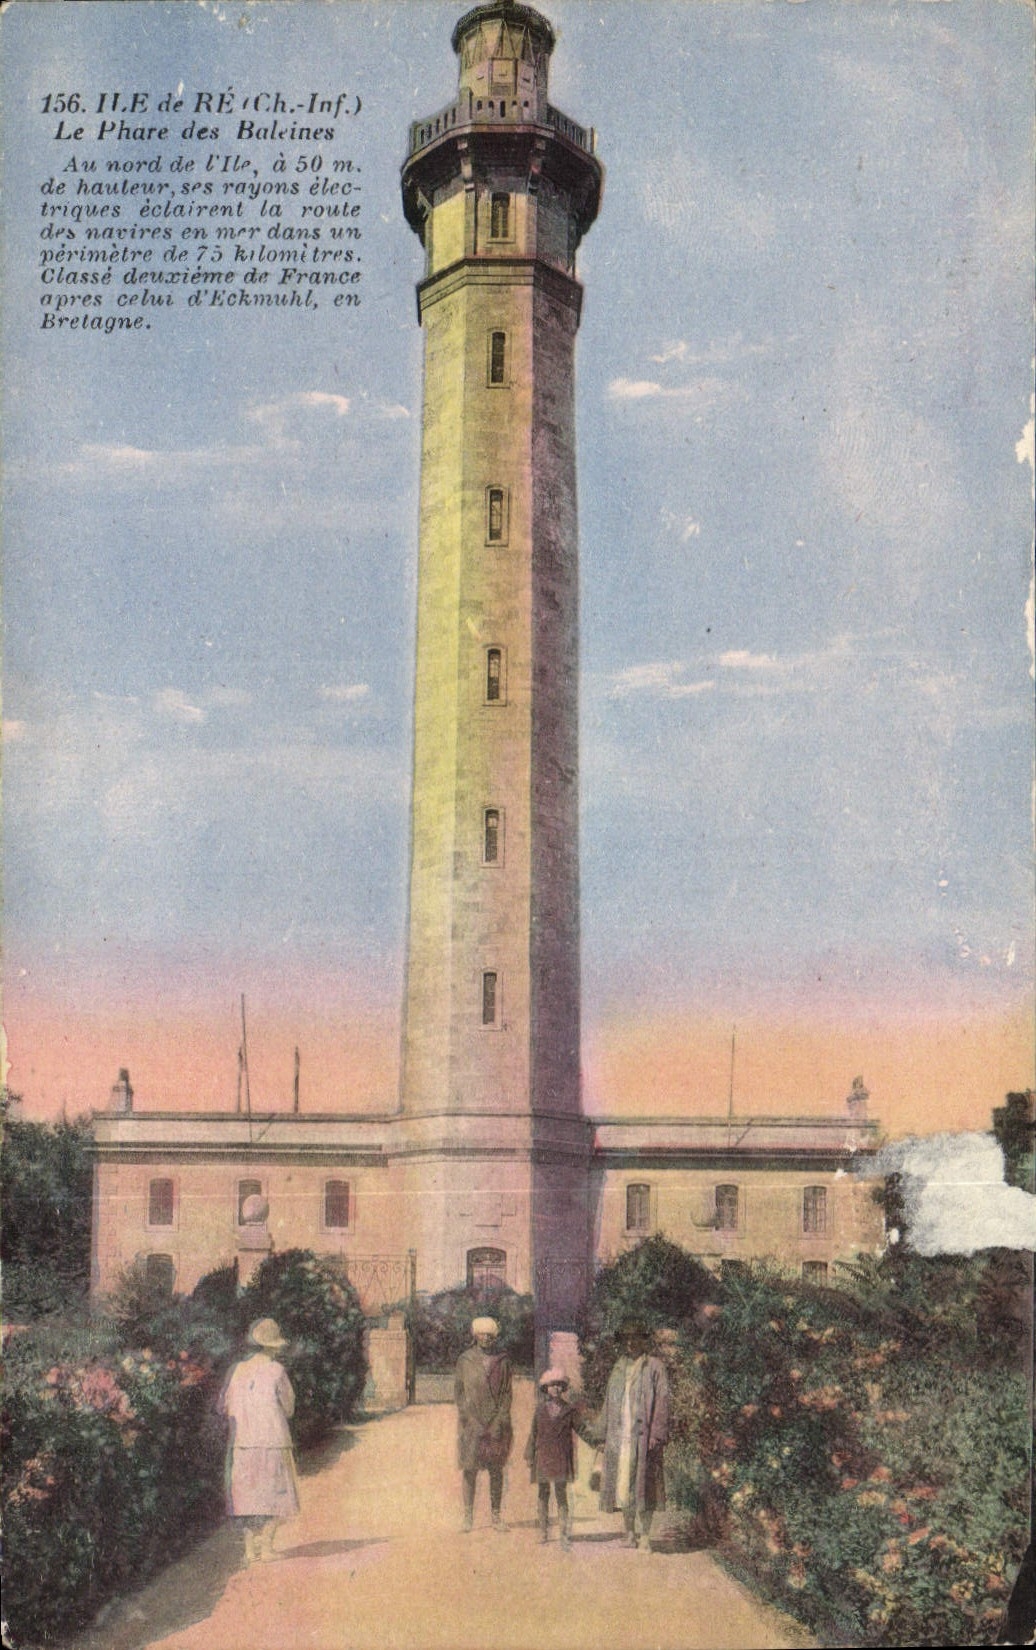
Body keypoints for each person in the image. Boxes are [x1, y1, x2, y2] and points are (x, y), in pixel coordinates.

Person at [219, 1317, 300, 1564]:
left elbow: (224, 1405)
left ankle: (249, 1549)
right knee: (275, 1495)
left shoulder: (238, 1370)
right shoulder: (277, 1371)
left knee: (247, 1498)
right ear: (274, 1346)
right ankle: (266, 1546)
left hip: (244, 1442)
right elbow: (289, 1408)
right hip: (273, 1440)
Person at [590, 1320, 669, 1550]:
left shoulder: (654, 1367)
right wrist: (602, 1435)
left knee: (645, 1486)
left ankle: (645, 1536)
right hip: (620, 1435)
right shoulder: (619, 1367)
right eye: (627, 1339)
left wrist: (657, 1434)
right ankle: (629, 1533)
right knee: (623, 1484)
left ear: (644, 1340)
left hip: (643, 1438)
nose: (631, 1343)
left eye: (636, 1338)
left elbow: (663, 1403)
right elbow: (608, 1403)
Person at [454, 1314, 513, 1532]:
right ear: (475, 1335)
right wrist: (469, 1419)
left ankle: (496, 1516)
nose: (486, 1338)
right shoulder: (465, 1360)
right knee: (469, 1469)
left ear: (495, 1337)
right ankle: (468, 1517)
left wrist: (500, 1420)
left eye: (490, 1335)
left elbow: (507, 1394)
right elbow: (459, 1394)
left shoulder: (503, 1360)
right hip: (471, 1424)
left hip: (496, 1424)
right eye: (482, 1334)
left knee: (496, 1470)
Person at [525, 1367, 581, 1549]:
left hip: (561, 1457)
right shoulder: (540, 1410)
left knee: (561, 1495)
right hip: (543, 1456)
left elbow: (583, 1429)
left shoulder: (569, 1410)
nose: (555, 1388)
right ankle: (543, 1531)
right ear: (545, 1389)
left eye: (559, 1385)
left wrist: (598, 1441)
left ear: (563, 1388)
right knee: (542, 1495)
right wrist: (529, 1455)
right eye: (552, 1385)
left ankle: (564, 1534)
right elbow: (533, 1434)